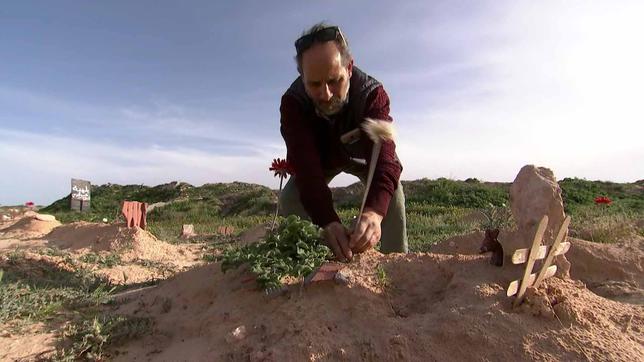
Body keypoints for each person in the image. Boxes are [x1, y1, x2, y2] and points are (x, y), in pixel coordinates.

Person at [278, 22, 407, 261]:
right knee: (290, 197)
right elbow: (306, 169)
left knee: (393, 195)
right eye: (314, 84)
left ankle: (398, 268)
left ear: (349, 68)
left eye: (334, 81)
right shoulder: (293, 104)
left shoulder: (372, 95)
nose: (325, 95)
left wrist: (374, 213)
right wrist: (327, 220)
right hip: (321, 161)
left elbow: (386, 162)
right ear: (302, 78)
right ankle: (309, 258)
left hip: (361, 157)